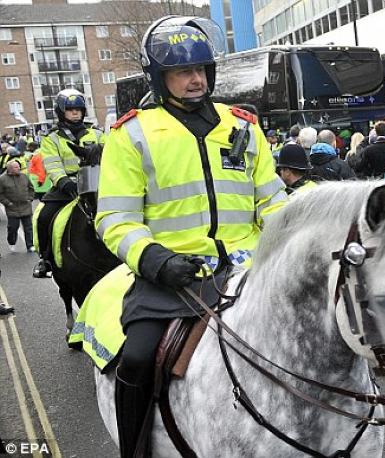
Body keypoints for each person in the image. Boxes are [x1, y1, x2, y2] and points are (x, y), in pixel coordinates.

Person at [91, 16, 287, 457]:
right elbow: (116, 220)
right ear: (160, 80)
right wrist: (155, 260)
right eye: (182, 71)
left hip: (249, 270)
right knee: (138, 357)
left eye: (200, 69)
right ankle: (136, 450)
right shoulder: (131, 135)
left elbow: (274, 203)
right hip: (173, 276)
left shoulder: (243, 126)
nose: (195, 79)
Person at [33, 88, 106, 278]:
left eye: (78, 110)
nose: (75, 113)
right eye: (70, 110)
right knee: (43, 216)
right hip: (67, 188)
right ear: (61, 112)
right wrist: (64, 181)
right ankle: (46, 259)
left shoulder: (97, 134)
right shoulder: (52, 139)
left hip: (97, 185)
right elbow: (52, 163)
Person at [0, 160, 35, 252]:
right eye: (16, 167)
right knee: (13, 228)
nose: (19, 168)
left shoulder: (24, 176)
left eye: (18, 166)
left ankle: (30, 245)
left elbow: (31, 188)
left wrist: (30, 198)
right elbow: (0, 194)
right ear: (10, 169)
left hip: (26, 206)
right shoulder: (2, 179)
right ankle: (12, 242)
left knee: (29, 228)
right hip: (12, 208)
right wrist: (7, 203)